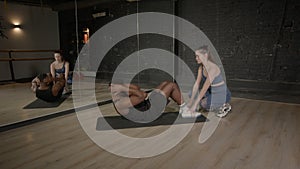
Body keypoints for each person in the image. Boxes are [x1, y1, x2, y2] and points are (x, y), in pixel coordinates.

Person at [109, 81, 201, 123]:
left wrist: (123, 86)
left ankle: (183, 108)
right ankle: (185, 110)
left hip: (148, 105)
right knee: (172, 85)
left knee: (165, 83)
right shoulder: (120, 102)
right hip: (150, 113)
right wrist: (123, 88)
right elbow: (143, 95)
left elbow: (137, 88)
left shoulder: (121, 94)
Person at [184, 45, 232, 118]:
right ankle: (211, 102)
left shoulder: (213, 68)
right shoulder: (201, 67)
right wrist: (190, 102)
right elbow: (197, 84)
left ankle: (224, 105)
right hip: (211, 92)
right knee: (191, 94)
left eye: (198, 56)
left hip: (222, 94)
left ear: (205, 55)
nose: (196, 58)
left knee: (203, 104)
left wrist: (194, 106)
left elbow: (204, 88)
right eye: (195, 56)